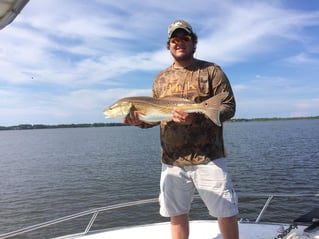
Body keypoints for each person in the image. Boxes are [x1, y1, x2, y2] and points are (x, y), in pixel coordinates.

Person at [124, 19, 239, 239]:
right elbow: (157, 117)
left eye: (185, 38)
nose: (180, 43)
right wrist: (139, 121)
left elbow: (228, 108)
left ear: (194, 43)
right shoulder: (160, 79)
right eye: (174, 39)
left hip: (209, 157)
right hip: (172, 161)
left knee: (225, 212)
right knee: (176, 214)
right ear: (168, 45)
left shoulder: (212, 71)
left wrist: (194, 119)